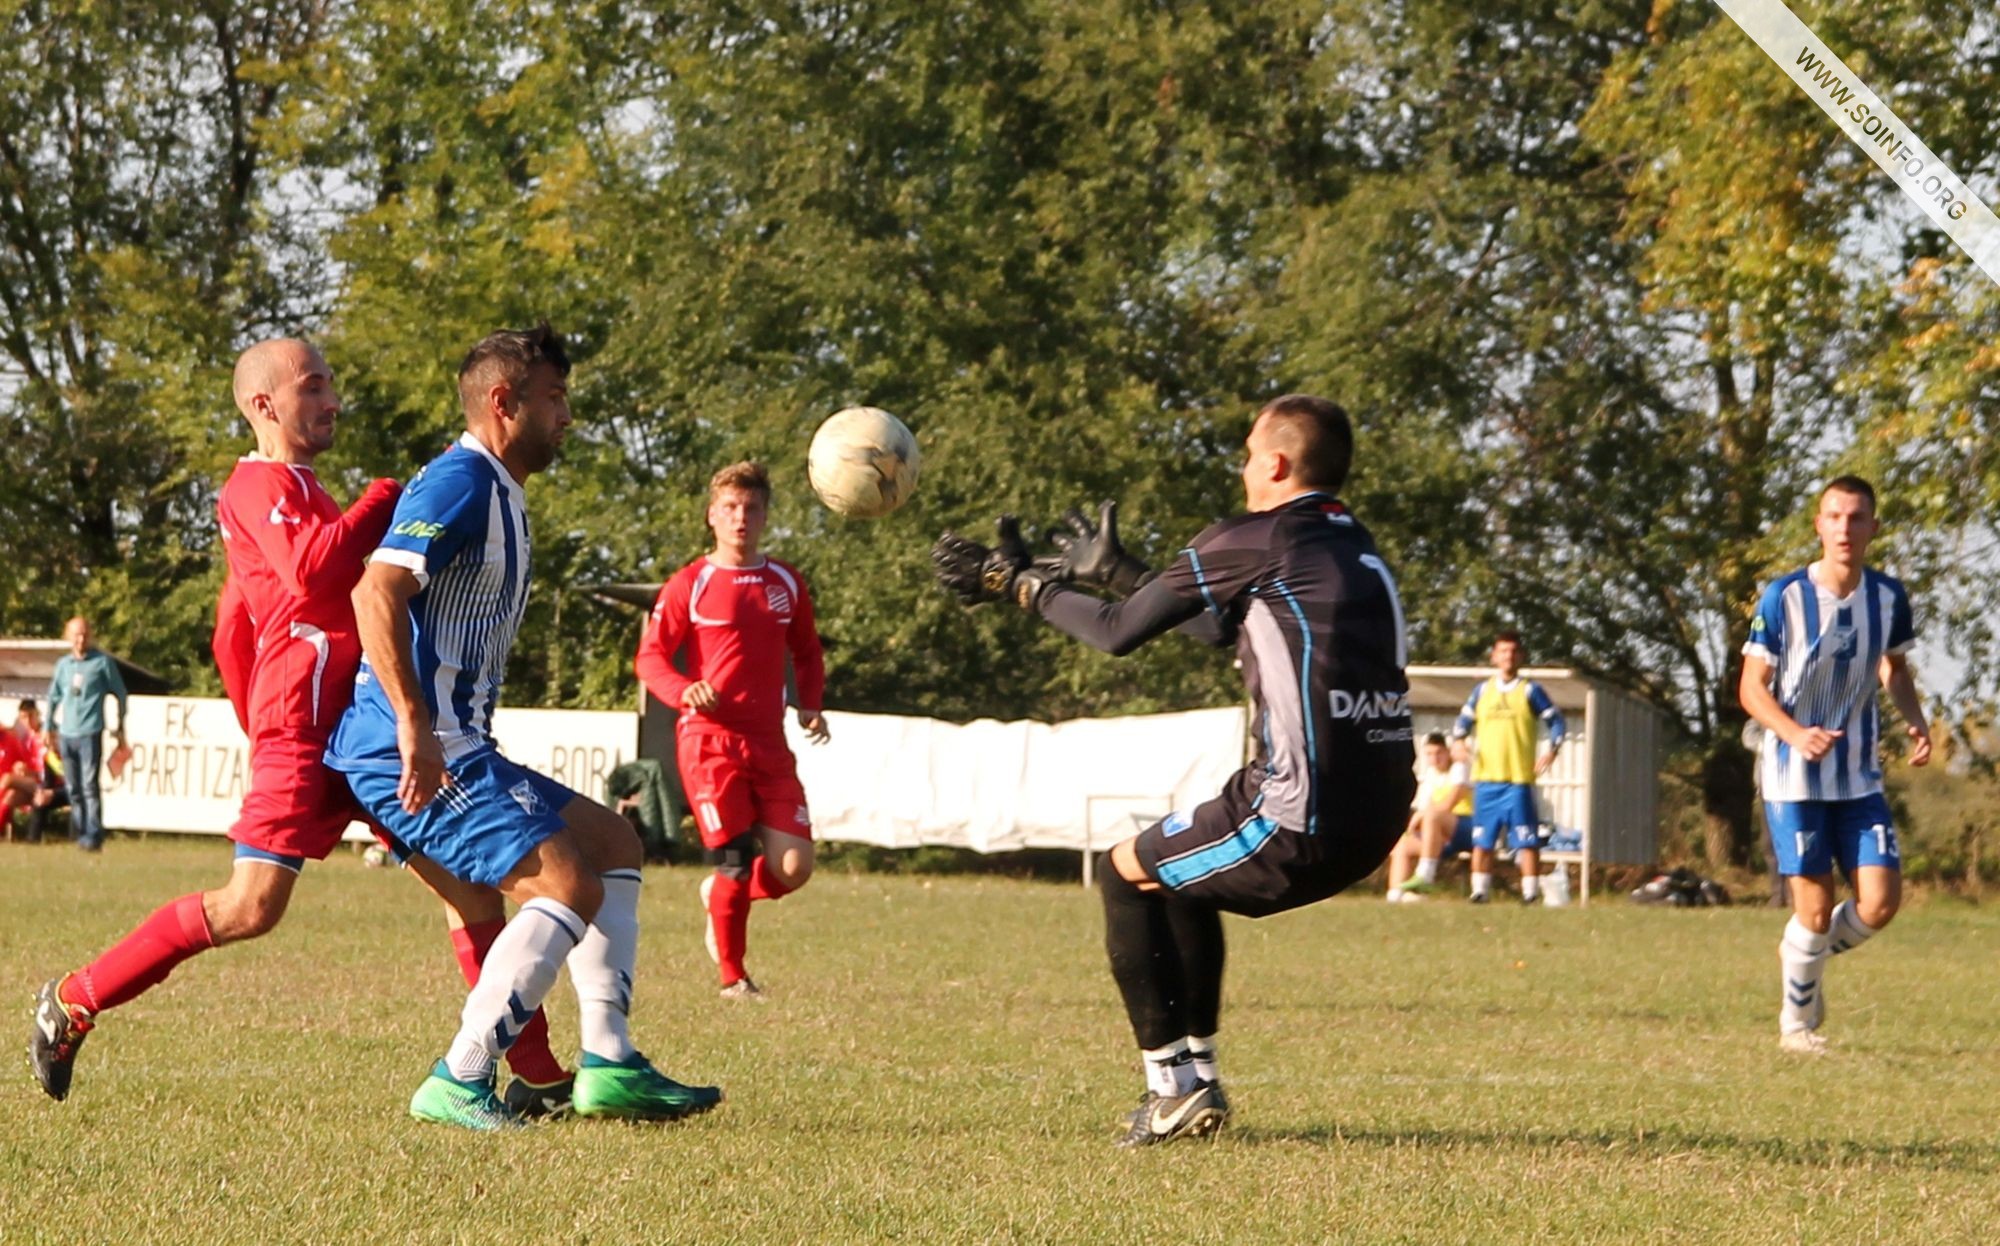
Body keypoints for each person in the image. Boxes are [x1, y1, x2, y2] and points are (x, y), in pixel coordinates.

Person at [27, 338, 571, 1111]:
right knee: (251, 907)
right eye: (313, 387)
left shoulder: (305, 490)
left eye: (331, 386)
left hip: (355, 727)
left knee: (473, 889)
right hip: (305, 731)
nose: (332, 400)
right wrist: (385, 496)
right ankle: (75, 998)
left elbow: (228, 629)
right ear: (263, 405)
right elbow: (316, 573)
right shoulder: (257, 488)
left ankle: (541, 1076)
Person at [931, 393, 1414, 1146]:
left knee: (1124, 873)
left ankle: (1169, 1091)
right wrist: (1121, 569)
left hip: (1297, 814)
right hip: (1381, 811)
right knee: (1173, 866)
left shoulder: (1259, 534)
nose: (1244, 466)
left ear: (1277, 463)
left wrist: (1019, 587)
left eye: (1250, 453)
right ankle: (1199, 1080)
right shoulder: (1354, 544)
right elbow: (1217, 623)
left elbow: (1120, 633)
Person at [327, 322, 721, 1129]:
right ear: (504, 403)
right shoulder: (460, 482)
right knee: (566, 883)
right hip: (406, 750)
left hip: (462, 743)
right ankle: (459, 1079)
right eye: (554, 398)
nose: (567, 415)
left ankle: (609, 1064)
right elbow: (375, 593)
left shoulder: (503, 489)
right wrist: (412, 724)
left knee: (614, 844)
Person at [1737, 475, 1929, 1055]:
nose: (1845, 527)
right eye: (1835, 516)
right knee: (1815, 909)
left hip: (1858, 774)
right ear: (1819, 525)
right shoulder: (1784, 596)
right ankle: (1798, 1026)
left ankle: (1802, 953)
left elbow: (1892, 668)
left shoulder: (1888, 597)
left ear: (1873, 527)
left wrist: (1915, 719)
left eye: (1857, 517)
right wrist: (1795, 733)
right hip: (1792, 776)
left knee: (1880, 903)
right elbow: (1751, 688)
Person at [636, 461, 829, 1000]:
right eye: (730, 508)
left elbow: (807, 651)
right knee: (736, 859)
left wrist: (810, 705)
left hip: (769, 743)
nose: (741, 517)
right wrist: (683, 690)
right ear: (711, 516)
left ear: (765, 516)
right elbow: (650, 660)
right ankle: (733, 978)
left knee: (794, 867)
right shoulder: (689, 584)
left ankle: (720, 893)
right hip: (708, 742)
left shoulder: (785, 581)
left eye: (751, 508)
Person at [1450, 632, 1565, 904]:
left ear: (1521, 656)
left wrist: (1552, 749)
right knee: (1482, 840)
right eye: (1503, 651)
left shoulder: (1529, 690)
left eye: (1513, 651)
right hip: (1487, 780)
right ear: (1494, 656)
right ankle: (1480, 892)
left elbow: (1556, 721)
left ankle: (1529, 893)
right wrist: (1457, 741)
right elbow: (1461, 724)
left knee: (1526, 839)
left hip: (1517, 781)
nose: (1508, 657)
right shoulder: (1482, 691)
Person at [44, 616, 128, 852]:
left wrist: (120, 724)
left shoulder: (102, 663)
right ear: (68, 636)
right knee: (73, 787)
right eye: (76, 634)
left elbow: (120, 693)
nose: (80, 639)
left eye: (84, 634)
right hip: (66, 732)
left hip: (90, 731)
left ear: (89, 636)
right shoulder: (63, 666)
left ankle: (93, 835)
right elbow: (54, 696)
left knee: (89, 785)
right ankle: (81, 833)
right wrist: (48, 727)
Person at [1386, 732, 1473, 902]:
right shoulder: (1431, 777)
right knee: (1402, 845)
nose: (1435, 758)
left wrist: (1423, 816)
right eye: (1429, 754)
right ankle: (1397, 894)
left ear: (1448, 752)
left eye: (1439, 753)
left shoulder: (1460, 768)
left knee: (1433, 816)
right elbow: (1421, 810)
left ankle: (1426, 874)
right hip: (1439, 836)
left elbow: (1448, 805)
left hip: (1466, 827)